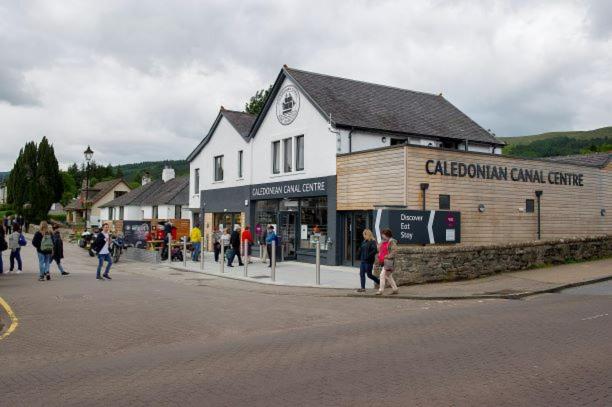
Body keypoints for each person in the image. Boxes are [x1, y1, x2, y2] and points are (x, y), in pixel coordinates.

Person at [376, 228, 399, 295]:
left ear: (387, 235)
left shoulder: (392, 242)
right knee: (388, 276)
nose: (382, 236)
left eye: (383, 235)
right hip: (383, 261)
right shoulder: (383, 241)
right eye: (382, 235)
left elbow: (394, 251)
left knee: (382, 275)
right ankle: (395, 289)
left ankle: (381, 290)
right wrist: (380, 245)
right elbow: (378, 249)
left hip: (388, 262)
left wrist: (387, 256)